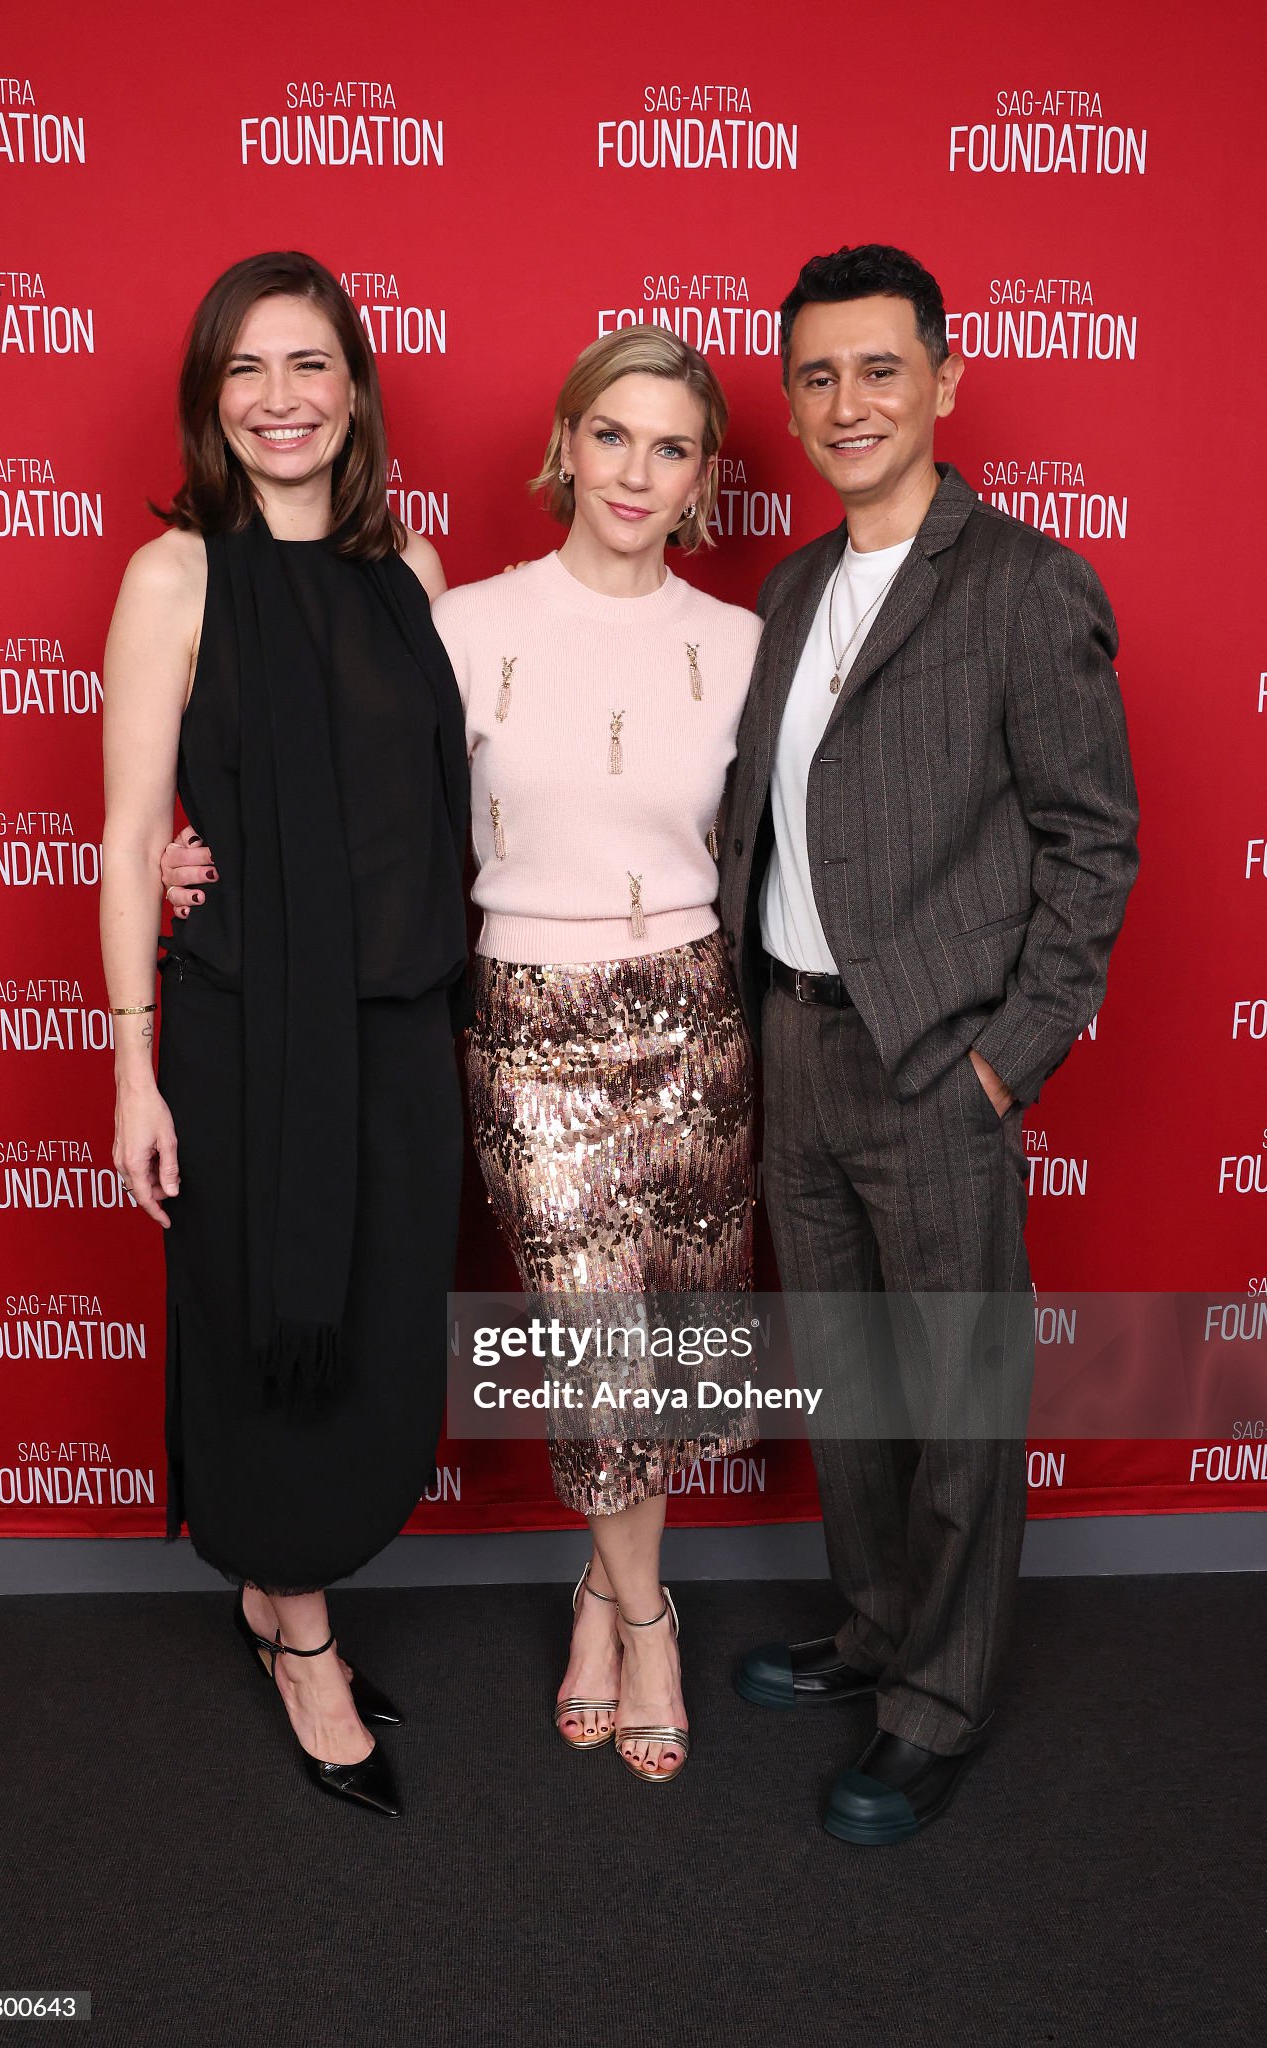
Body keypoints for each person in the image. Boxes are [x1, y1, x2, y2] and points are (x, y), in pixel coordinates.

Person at [167, 325, 763, 1784]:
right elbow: (337, 778)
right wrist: (206, 855)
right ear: (564, 444)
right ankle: (651, 1623)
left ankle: (600, 1594)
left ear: (703, 480)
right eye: (610, 435)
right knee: (595, 1344)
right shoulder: (459, 616)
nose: (635, 471)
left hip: (693, 1014)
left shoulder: (746, 646)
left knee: (668, 1352)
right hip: (525, 1017)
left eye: (671, 447)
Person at [719, 244, 1139, 1843]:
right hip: (796, 1047)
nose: (848, 402)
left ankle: (937, 1702)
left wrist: (1001, 1061)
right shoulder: (787, 592)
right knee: (848, 1381)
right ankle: (877, 1629)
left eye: (879, 368)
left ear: (944, 381)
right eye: (817, 375)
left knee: (958, 1396)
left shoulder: (1023, 584)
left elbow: (1092, 845)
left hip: (933, 1063)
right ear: (790, 403)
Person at [100, 250, 468, 1817]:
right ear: (211, 399)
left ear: (354, 390)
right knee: (267, 1335)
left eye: (308, 363)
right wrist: (133, 1068)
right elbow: (132, 837)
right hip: (246, 1043)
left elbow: (439, 810)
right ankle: (302, 1642)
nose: (279, 397)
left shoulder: (415, 573)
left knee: (372, 1335)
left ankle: (281, 1592)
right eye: (245, 369)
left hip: (398, 1035)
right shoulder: (173, 576)